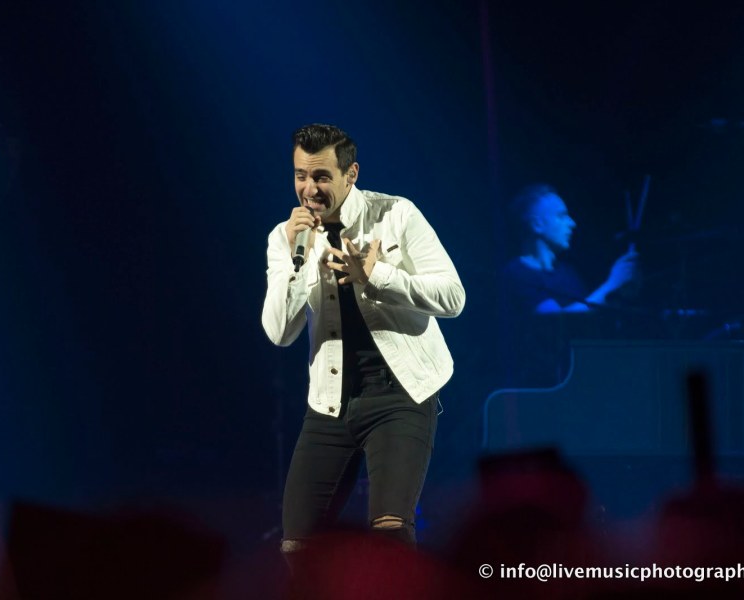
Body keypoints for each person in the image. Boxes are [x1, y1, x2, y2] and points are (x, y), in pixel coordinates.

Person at [261, 124, 465, 562]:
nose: (309, 189)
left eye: (321, 177)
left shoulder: (396, 214)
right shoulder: (285, 237)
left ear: (350, 174)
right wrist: (298, 260)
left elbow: (453, 297)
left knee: (390, 531)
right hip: (330, 400)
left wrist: (377, 276)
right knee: (298, 542)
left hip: (400, 394)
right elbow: (279, 332)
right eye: (300, 176)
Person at [499, 184, 637, 386]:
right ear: (537, 225)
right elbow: (558, 321)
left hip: (578, 380)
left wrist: (623, 291)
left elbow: (590, 319)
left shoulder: (568, 273)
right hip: (540, 387)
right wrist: (611, 284)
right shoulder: (518, 273)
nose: (572, 223)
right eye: (562, 216)